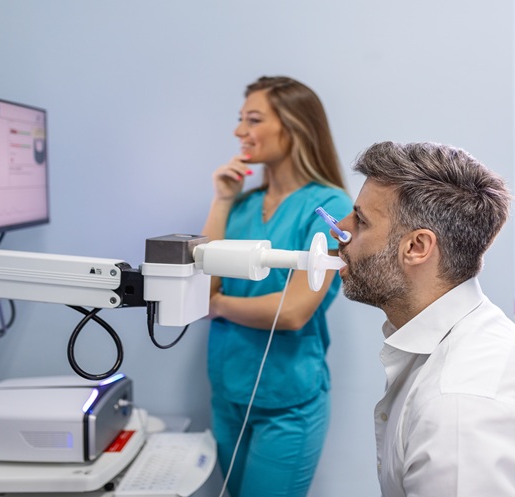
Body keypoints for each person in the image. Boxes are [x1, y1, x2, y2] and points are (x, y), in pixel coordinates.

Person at [332, 141, 515, 497]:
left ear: (417, 247)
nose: (340, 230)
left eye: (361, 220)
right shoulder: (460, 334)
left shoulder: (461, 406)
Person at [201, 76, 352, 497]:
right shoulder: (243, 204)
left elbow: (293, 311)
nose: (238, 131)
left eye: (253, 119)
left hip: (288, 404)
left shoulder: (331, 207)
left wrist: (217, 306)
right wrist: (222, 200)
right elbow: (204, 280)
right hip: (228, 393)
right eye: (240, 120)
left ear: (294, 126)